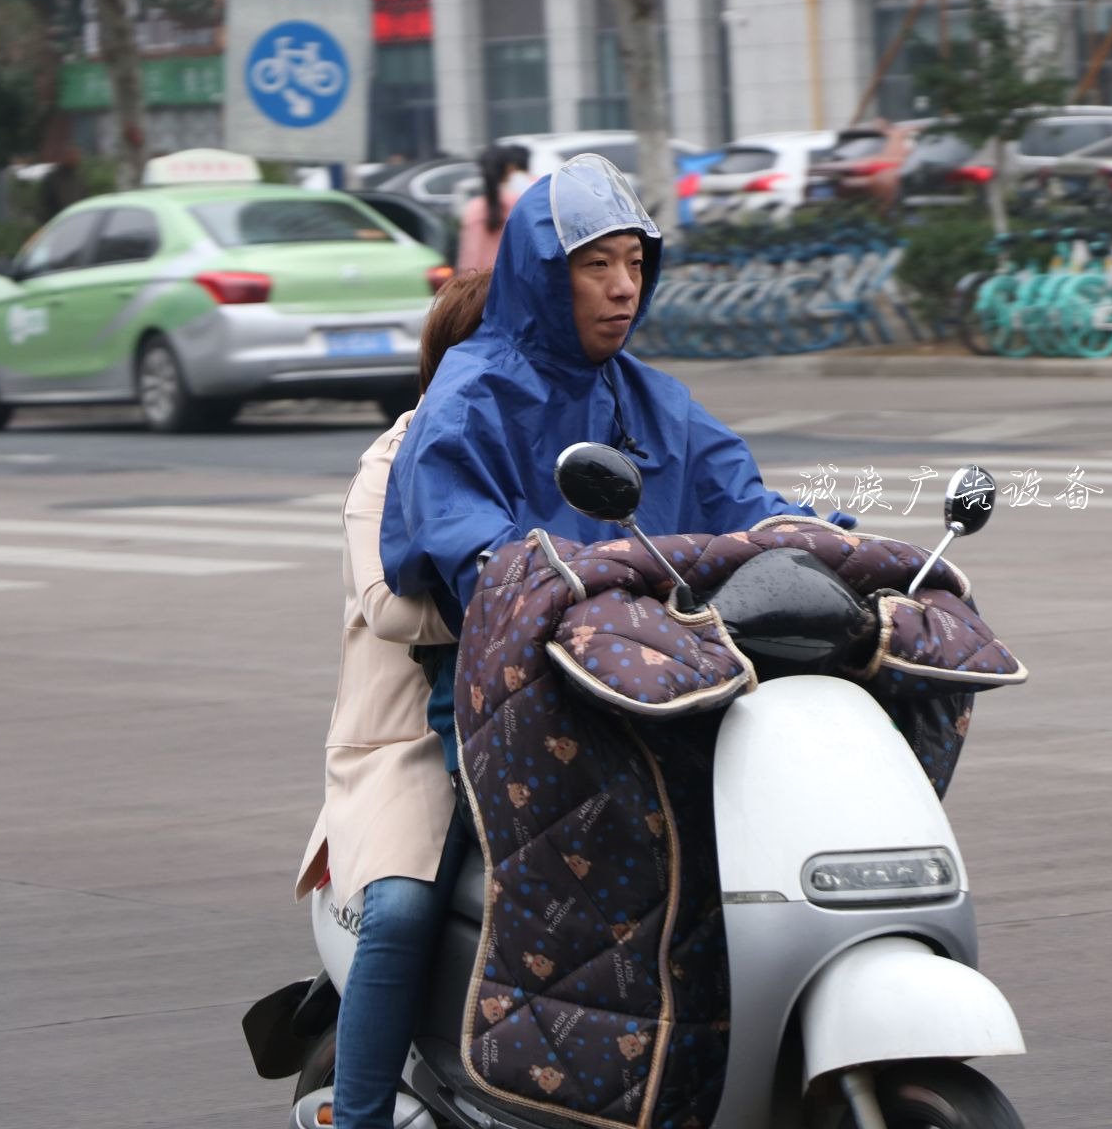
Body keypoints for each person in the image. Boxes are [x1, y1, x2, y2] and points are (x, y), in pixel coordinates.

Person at [381, 154, 835, 636]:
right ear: (544, 276)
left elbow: (742, 502)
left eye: (636, 264)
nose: (624, 288)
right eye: (597, 265)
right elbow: (473, 548)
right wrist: (567, 589)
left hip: (679, 654)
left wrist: (824, 545)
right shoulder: (470, 398)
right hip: (529, 676)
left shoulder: (653, 396)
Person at [292, 269, 494, 1129]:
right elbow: (387, 604)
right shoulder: (396, 458)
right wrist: (522, 599)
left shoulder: (569, 451)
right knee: (406, 909)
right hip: (407, 746)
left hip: (548, 729)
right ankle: (366, 1113)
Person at [453, 143, 531, 276]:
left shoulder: (474, 208)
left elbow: (469, 258)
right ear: (510, 168)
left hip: (477, 287)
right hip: (512, 284)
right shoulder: (520, 203)